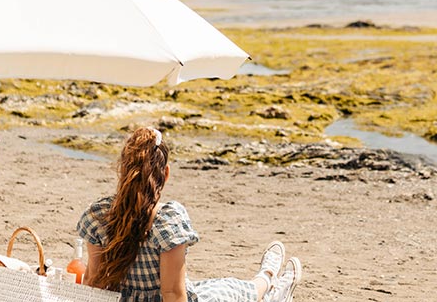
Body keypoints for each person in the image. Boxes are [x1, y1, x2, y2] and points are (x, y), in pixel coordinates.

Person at [77, 127, 301, 302]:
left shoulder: (98, 215)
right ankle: (269, 280)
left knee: (211, 286)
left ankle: (269, 280)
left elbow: (93, 281)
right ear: (166, 174)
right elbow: (173, 294)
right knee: (230, 289)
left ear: (123, 172)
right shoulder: (167, 222)